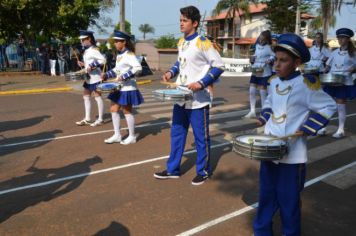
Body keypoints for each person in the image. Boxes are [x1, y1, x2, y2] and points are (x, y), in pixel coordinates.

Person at [253, 33, 336, 236]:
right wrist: (263, 118)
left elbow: (328, 105)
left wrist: (308, 127)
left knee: (288, 200)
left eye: (283, 61)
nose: (277, 65)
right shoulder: (273, 82)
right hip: (270, 150)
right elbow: (270, 102)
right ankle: (262, 231)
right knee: (266, 195)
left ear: (297, 62)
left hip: (292, 155)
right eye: (276, 60)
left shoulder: (306, 85)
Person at [153, 6, 224, 185]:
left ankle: (204, 170)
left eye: (184, 20)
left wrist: (201, 83)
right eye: (180, 20)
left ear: (195, 23)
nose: (181, 23)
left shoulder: (203, 42)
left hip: (198, 101)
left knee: (201, 138)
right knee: (177, 134)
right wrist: (170, 72)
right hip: (181, 97)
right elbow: (180, 62)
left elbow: (219, 66)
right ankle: (173, 169)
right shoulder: (181, 42)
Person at [101, 30, 144, 145]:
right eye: (114, 41)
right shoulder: (119, 55)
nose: (115, 43)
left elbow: (137, 68)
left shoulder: (129, 54)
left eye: (117, 41)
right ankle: (117, 135)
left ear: (124, 42)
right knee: (113, 109)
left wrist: (124, 77)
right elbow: (116, 70)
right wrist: (106, 74)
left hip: (128, 87)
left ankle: (132, 136)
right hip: (118, 87)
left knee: (127, 111)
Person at [322, 28, 356, 138]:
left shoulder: (353, 53)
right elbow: (328, 66)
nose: (340, 40)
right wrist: (323, 71)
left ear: (348, 39)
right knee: (328, 104)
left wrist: (352, 69)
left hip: (344, 81)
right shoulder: (334, 52)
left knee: (340, 105)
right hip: (332, 80)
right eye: (339, 38)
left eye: (343, 38)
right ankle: (323, 127)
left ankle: (341, 129)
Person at [75, 30, 106, 127]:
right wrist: (83, 64)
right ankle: (87, 118)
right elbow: (88, 64)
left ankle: (100, 119)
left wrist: (91, 65)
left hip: (96, 77)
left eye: (83, 39)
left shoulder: (94, 49)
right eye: (81, 40)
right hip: (88, 77)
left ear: (89, 39)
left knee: (97, 97)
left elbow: (103, 60)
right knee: (86, 96)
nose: (82, 42)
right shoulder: (87, 50)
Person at [245, 30, 275, 118]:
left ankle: (263, 111)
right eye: (260, 37)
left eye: (263, 38)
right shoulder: (257, 46)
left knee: (262, 91)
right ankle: (252, 111)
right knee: (251, 90)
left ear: (266, 39)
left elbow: (273, 55)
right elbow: (255, 55)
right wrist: (252, 58)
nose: (261, 39)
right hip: (256, 69)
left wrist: (270, 59)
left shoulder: (269, 47)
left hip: (265, 70)